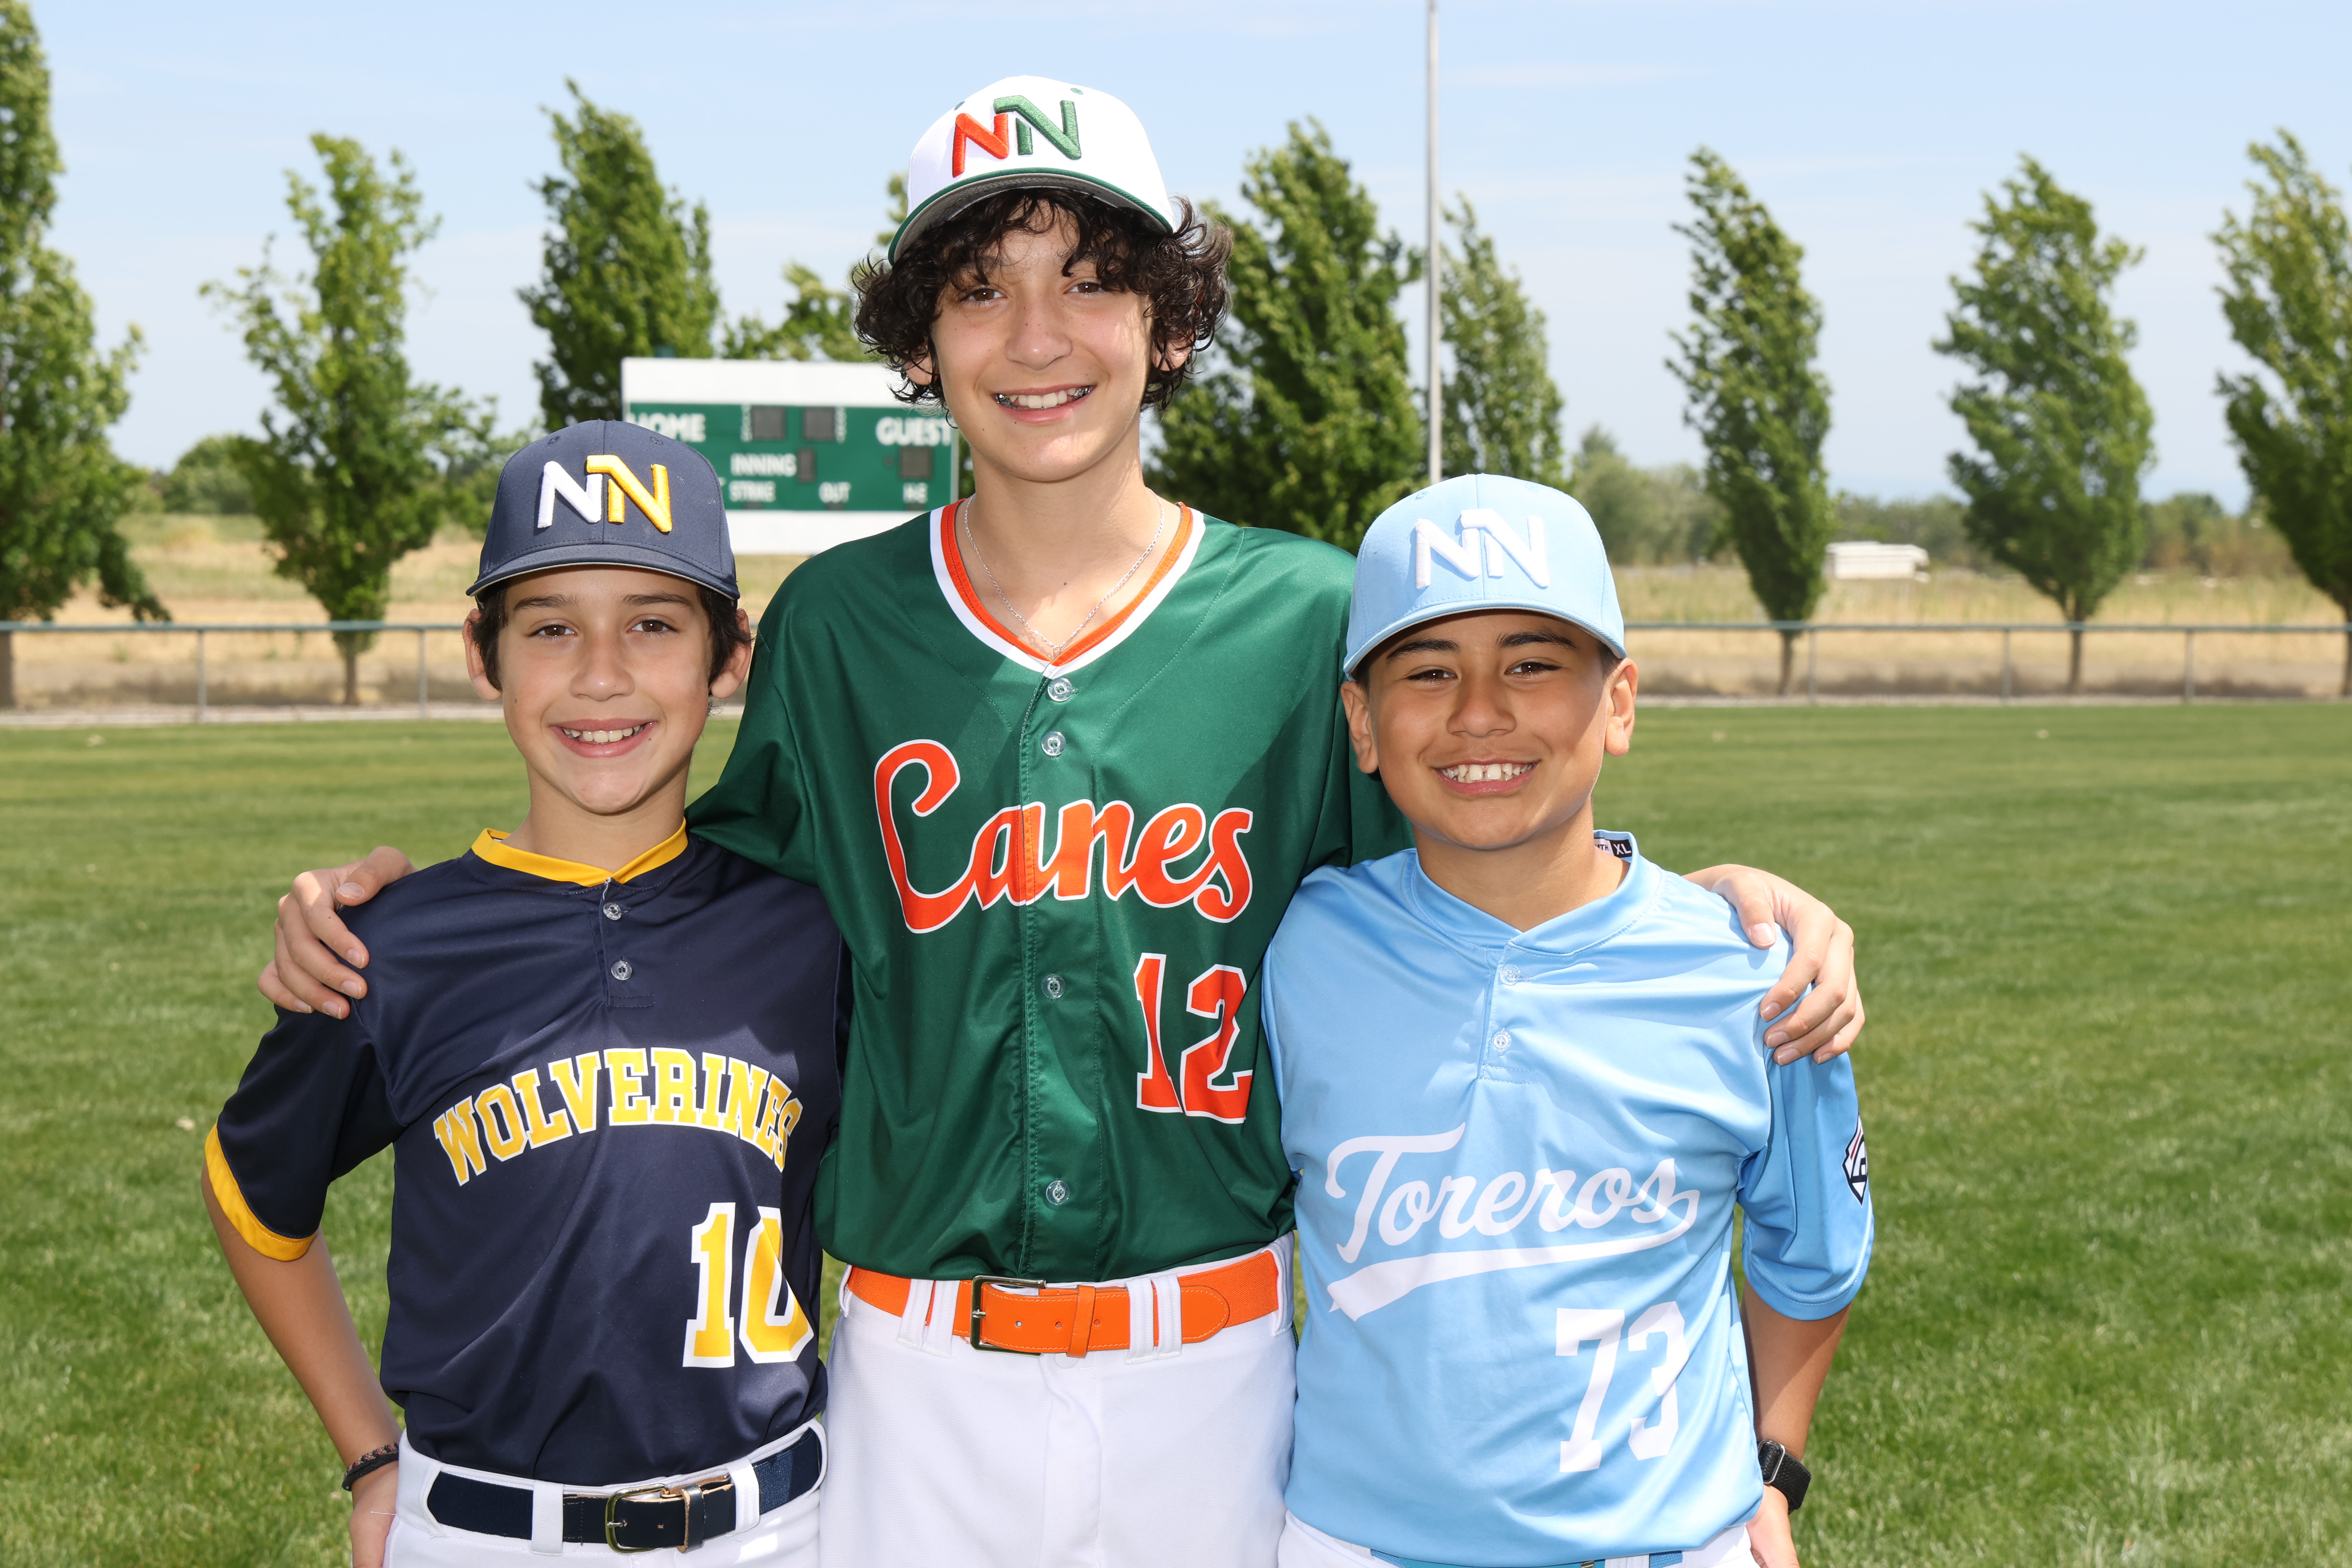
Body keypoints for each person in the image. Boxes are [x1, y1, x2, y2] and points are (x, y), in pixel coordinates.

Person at [256, 77, 1865, 1567]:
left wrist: (1713, 896)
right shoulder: (841, 627)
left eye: (1092, 280)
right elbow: (696, 898)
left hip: (1218, 1366)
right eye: (980, 288)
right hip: (914, 1372)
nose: (1038, 335)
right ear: (921, 337)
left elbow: (1483, 870)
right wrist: (399, 912)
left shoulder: (1302, 618)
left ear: (1172, 319)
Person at [204, 423, 840, 1566]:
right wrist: (369, 1452)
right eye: (550, 627)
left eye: (653, 623)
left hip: (774, 1525)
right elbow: (254, 1196)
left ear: (730, 654)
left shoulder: (810, 928)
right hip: (486, 1532)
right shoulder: (391, 943)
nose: (601, 674)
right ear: (482, 651)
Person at [1265, 474, 1870, 1568]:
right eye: (1429, 670)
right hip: (1354, 1542)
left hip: (1664, 1541)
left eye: (1533, 664)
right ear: (1362, 722)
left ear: (1620, 702)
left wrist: (1773, 1470)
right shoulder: (1298, 946)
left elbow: (1813, 1254)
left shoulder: (1755, 972)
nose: (1479, 711)